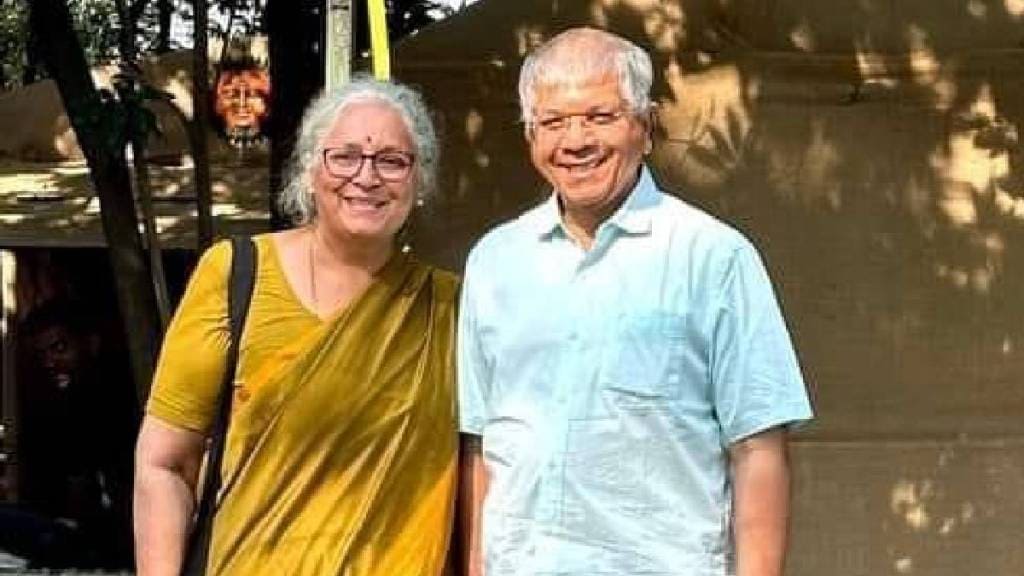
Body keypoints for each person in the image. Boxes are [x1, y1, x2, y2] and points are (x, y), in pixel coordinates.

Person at [457, 28, 814, 576]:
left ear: (646, 127)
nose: (575, 141)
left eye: (601, 117)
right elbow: (483, 447)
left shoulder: (713, 258)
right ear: (531, 136)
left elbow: (758, 449)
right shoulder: (494, 262)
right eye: (552, 122)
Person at [134, 77, 458, 575]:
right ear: (310, 170)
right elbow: (165, 464)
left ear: (419, 182)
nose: (367, 177)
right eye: (345, 156)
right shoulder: (235, 275)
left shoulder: (449, 308)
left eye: (392, 161)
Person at [0, 299, 138, 569]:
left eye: (60, 349)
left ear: (91, 344)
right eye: (42, 356)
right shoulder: (65, 407)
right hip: (87, 537)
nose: (50, 362)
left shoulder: (122, 400)